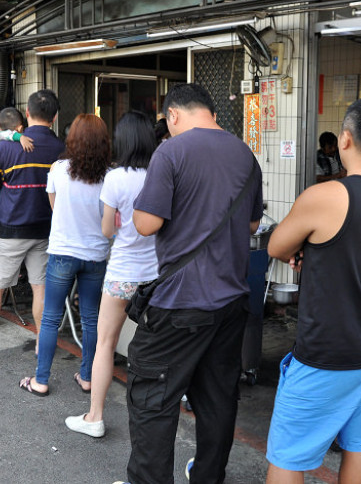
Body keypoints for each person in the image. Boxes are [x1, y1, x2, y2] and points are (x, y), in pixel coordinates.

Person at [121, 83, 262, 484]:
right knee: (218, 399)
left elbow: (146, 224)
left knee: (153, 398)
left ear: (174, 115)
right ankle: (207, 476)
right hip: (231, 302)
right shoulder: (245, 155)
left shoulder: (171, 151)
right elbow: (251, 224)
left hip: (179, 303)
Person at [265, 97, 361, 484]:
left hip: (327, 352)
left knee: (287, 455)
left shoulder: (326, 195)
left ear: (345, 140)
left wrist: (303, 250)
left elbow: (277, 247)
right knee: (360, 447)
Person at [65, 111, 158, 438]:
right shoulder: (163, 175)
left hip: (122, 273)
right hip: (156, 277)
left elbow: (107, 229)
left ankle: (95, 417)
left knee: (105, 343)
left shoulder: (116, 178)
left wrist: (120, 224)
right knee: (158, 347)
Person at [0, 90, 65, 366]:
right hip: (47, 230)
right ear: (55, 117)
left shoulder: (7, 147)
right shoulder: (61, 148)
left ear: (28, 115)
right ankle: (41, 346)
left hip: (10, 229)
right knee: (40, 288)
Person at [18, 113, 111, 396]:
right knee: (91, 319)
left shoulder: (58, 169)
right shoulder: (109, 175)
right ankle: (87, 377)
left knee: (49, 318)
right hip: (95, 255)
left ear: (71, 139)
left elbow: (55, 207)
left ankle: (41, 380)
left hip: (62, 253)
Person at [0, 111, 34, 254]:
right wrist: (21, 137)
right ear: (19, 127)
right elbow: (11, 134)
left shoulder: (5, 140)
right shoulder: (4, 135)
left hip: (2, 181)